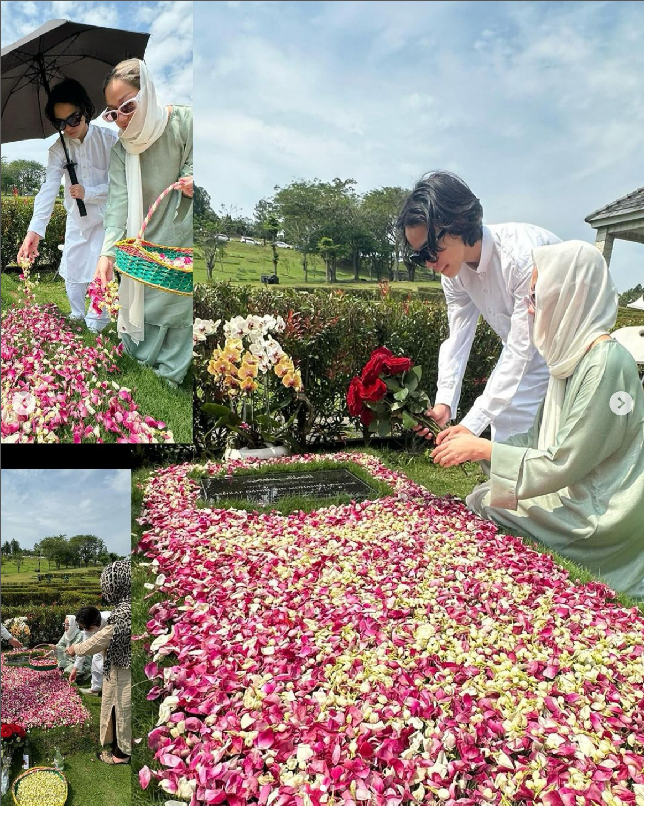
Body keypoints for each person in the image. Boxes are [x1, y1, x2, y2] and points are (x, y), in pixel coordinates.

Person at [432, 241, 644, 598]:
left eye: (536, 296)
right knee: (485, 496)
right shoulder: (571, 359)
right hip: (577, 488)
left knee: (486, 505)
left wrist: (485, 449)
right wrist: (472, 446)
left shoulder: (606, 364)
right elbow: (534, 440)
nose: (529, 309)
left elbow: (566, 460)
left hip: (602, 511)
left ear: (569, 296)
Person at [397, 170, 562, 442]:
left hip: (571, 351)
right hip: (530, 354)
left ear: (458, 223)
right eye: (419, 257)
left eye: (430, 250)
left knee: (547, 446)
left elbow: (522, 349)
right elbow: (458, 338)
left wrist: (473, 423)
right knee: (509, 431)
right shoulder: (455, 273)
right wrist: (445, 403)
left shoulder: (521, 258)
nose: (429, 262)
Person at [94, 58, 193, 386]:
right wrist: (107, 254)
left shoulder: (185, 122)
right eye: (112, 112)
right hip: (141, 243)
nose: (120, 120)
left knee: (176, 304)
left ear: (147, 94)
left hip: (181, 235)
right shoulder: (122, 150)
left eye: (128, 106)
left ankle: (171, 372)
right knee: (141, 300)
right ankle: (141, 362)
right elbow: (119, 205)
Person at [16, 78, 117, 331]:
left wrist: (88, 192)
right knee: (73, 267)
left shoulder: (109, 141)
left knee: (98, 268)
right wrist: (34, 231)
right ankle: (76, 314)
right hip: (76, 219)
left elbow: (120, 186)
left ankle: (98, 322)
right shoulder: (58, 149)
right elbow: (48, 188)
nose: (68, 127)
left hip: (105, 218)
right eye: (60, 123)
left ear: (85, 111)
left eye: (73, 119)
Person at [68, 560, 131, 764]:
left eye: (107, 587)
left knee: (122, 708)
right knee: (115, 706)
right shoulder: (124, 608)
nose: (106, 593)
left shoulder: (122, 613)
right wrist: (76, 664)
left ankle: (121, 755)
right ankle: (116, 744)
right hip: (117, 667)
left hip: (124, 669)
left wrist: (75, 649)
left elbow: (98, 640)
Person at [68, 606, 112, 695]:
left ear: (93, 624)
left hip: (115, 643)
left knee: (110, 664)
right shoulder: (89, 627)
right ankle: (95, 689)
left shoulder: (110, 620)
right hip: (99, 644)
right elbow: (85, 647)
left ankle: (111, 688)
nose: (85, 630)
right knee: (96, 661)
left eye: (86, 627)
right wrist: (75, 668)